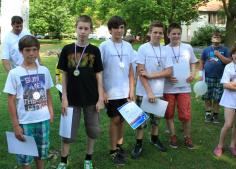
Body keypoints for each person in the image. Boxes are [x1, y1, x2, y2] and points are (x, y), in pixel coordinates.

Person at [57, 15, 104, 169]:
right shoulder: (67, 49)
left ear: (90, 30)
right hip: (71, 99)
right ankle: (63, 161)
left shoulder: (94, 50)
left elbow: (99, 75)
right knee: (67, 133)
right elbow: (63, 74)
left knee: (93, 131)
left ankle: (88, 159)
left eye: (86, 28)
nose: (83, 31)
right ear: (76, 29)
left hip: (91, 98)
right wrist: (64, 97)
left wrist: (101, 97)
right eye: (80, 28)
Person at [3, 35, 54, 169]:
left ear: (38, 50)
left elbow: (48, 93)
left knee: (41, 154)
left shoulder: (44, 70)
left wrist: (51, 112)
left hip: (43, 120)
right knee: (26, 159)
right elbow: (10, 101)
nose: (31, 53)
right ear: (21, 51)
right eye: (27, 50)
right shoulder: (14, 73)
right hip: (25, 123)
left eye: (34, 49)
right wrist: (15, 125)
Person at [131, 21, 173, 159]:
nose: (157, 35)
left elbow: (169, 71)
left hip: (159, 91)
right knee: (140, 121)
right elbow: (140, 71)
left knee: (156, 120)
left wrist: (152, 75)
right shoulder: (143, 48)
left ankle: (154, 139)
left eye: (160, 32)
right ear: (150, 33)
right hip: (143, 91)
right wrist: (149, 91)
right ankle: (138, 144)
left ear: (163, 34)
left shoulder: (166, 50)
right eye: (155, 32)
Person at [99, 16, 135, 166]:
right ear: (110, 30)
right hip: (111, 91)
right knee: (114, 119)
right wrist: (103, 91)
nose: (119, 31)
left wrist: (132, 90)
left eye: (121, 27)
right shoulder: (104, 46)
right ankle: (113, 150)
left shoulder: (128, 46)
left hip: (125, 91)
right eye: (116, 28)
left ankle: (119, 145)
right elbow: (98, 71)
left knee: (122, 120)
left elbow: (131, 70)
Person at [163, 23, 198, 149]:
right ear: (168, 35)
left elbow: (193, 62)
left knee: (185, 114)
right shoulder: (164, 49)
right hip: (169, 87)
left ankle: (187, 137)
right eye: (173, 34)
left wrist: (193, 74)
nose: (176, 36)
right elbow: (161, 68)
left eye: (178, 33)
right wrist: (167, 76)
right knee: (169, 113)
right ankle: (173, 135)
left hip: (184, 87)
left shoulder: (187, 47)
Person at [199, 31, 231, 123]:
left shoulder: (225, 50)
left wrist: (219, 55)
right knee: (207, 97)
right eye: (214, 37)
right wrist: (200, 74)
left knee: (217, 98)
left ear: (221, 39)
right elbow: (201, 61)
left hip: (220, 77)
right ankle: (208, 114)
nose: (216, 38)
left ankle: (215, 115)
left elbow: (228, 62)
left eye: (218, 37)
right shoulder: (206, 50)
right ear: (211, 39)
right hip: (208, 77)